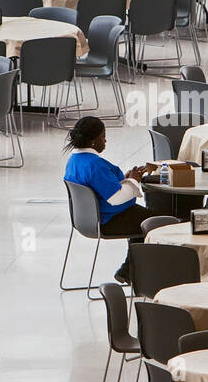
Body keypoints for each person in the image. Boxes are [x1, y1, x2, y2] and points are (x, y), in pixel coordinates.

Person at [63, 116, 165, 283]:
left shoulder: (75, 161)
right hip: (108, 221)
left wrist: (124, 180)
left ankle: (129, 269)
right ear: (93, 141)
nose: (105, 140)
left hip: (85, 220)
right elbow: (116, 199)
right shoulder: (95, 165)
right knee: (156, 222)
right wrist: (133, 181)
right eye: (103, 137)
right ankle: (141, 273)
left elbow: (102, 187)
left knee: (141, 220)